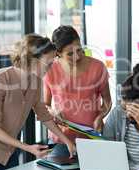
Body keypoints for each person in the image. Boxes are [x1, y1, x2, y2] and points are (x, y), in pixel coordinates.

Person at [0, 34, 75, 170]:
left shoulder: (36, 81)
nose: (51, 68)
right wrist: (27, 148)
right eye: (49, 63)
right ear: (32, 60)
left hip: (8, 142)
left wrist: (67, 142)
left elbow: (44, 115)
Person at [44, 25, 112, 157]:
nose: (77, 56)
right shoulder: (50, 69)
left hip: (91, 137)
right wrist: (54, 112)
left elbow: (108, 101)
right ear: (58, 53)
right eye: (70, 54)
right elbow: (44, 105)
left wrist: (100, 116)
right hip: (61, 139)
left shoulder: (98, 67)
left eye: (79, 50)